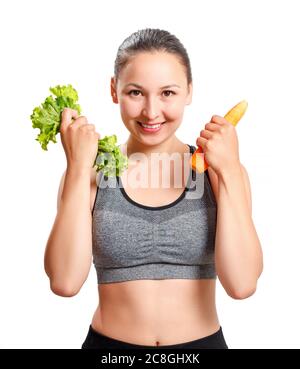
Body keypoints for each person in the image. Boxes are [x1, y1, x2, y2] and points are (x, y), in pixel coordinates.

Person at [44, 28, 263, 349]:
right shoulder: (89, 171)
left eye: (168, 93)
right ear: (114, 90)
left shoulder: (222, 171)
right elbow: (64, 282)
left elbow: (242, 285)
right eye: (135, 92)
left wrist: (228, 170)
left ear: (189, 91)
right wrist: (77, 167)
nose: (151, 111)